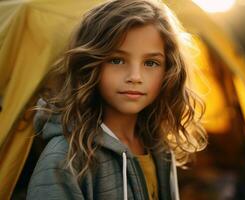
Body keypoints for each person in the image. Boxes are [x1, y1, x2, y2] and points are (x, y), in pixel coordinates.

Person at [27, 0, 207, 199]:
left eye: (151, 63)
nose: (135, 76)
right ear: (90, 64)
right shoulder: (64, 158)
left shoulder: (159, 148)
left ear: (169, 71)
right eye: (117, 60)